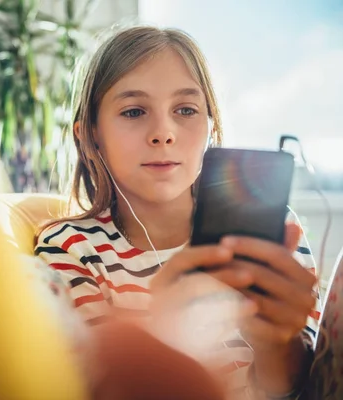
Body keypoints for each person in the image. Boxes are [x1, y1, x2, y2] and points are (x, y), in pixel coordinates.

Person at [35, 26, 321, 399]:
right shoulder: (71, 249)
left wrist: (276, 344)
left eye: (186, 110)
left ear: (210, 126)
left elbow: (301, 385)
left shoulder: (272, 228)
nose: (163, 133)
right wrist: (162, 332)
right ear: (90, 136)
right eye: (134, 111)